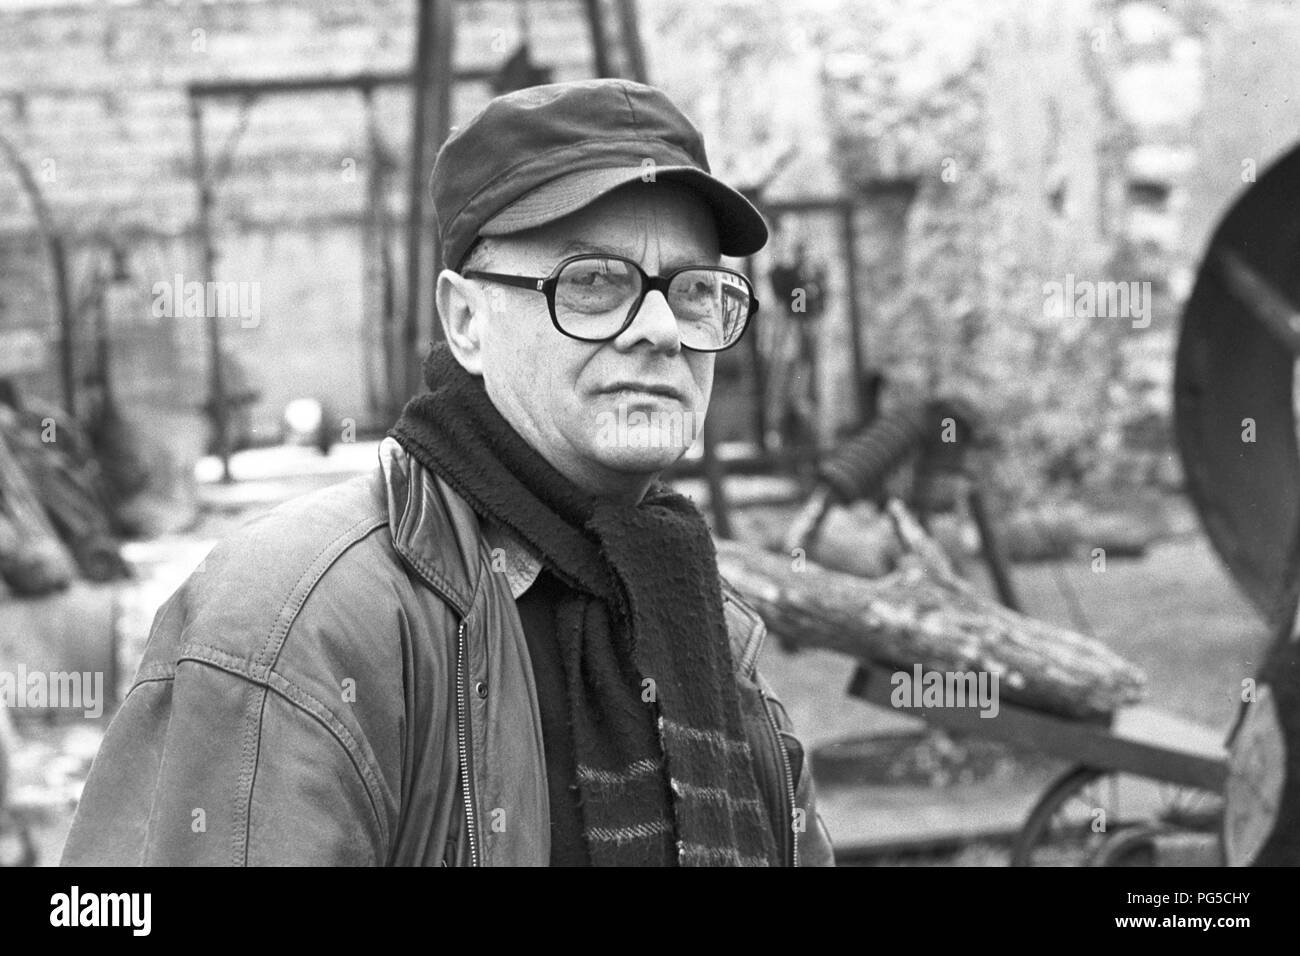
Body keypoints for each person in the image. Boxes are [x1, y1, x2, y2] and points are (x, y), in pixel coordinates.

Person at [62, 78, 834, 866]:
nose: (662, 329)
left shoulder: (697, 620)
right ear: (466, 321)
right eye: (594, 282)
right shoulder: (298, 623)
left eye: (695, 290)